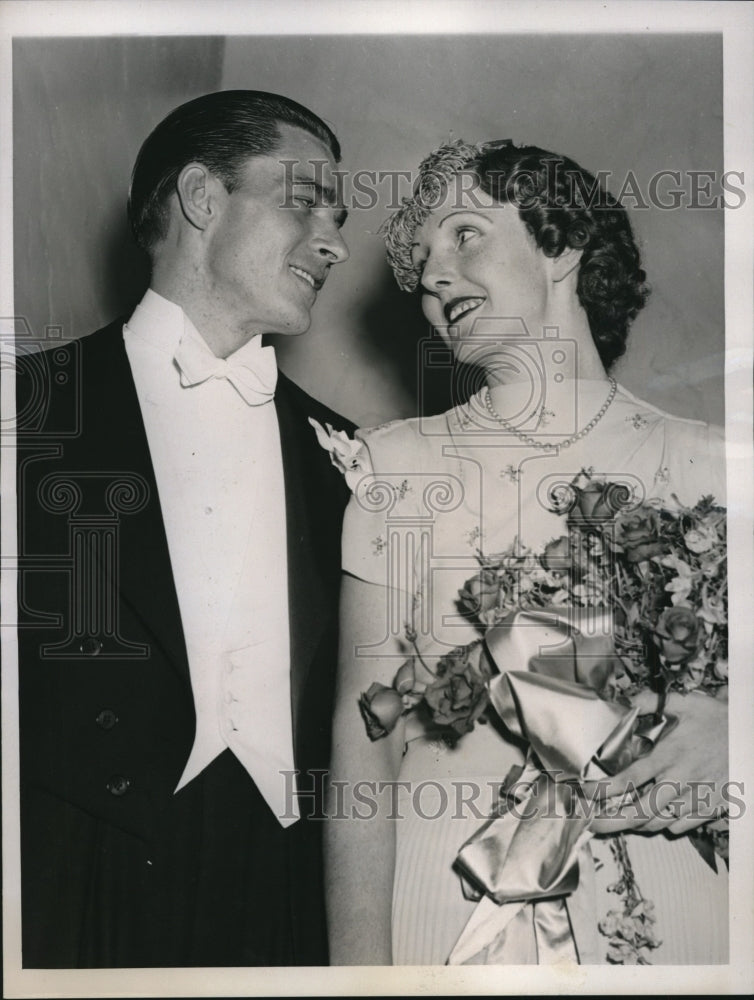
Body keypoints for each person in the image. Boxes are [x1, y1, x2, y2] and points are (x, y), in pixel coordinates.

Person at [325, 139, 728, 965]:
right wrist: (359, 975)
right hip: (445, 897)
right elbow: (362, 740)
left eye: (465, 235)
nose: (435, 278)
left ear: (562, 244)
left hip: (678, 899)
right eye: (423, 266)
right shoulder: (394, 466)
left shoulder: (712, 463)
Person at [16, 90, 353, 967]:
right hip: (68, 881)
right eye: (306, 202)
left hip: (286, 889)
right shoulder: (26, 411)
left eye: (339, 218)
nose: (335, 242)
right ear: (203, 197)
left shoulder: (349, 455)